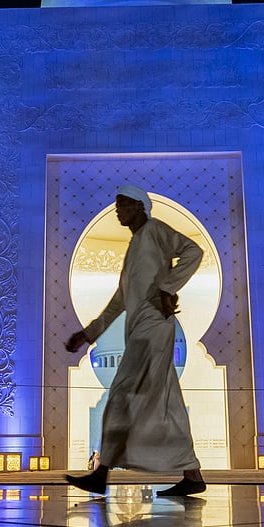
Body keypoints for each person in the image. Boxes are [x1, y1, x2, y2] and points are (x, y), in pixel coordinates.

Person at [62, 185, 206, 498]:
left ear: (140, 206)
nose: (118, 211)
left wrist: (168, 289)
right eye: (117, 206)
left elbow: (194, 251)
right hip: (142, 331)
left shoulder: (154, 231)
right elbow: (120, 300)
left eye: (124, 205)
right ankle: (192, 473)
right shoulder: (136, 246)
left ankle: (101, 473)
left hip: (154, 329)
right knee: (169, 403)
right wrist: (89, 334)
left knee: (121, 394)